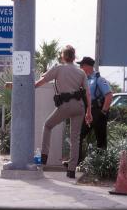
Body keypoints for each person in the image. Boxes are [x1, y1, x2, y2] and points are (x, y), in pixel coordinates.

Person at [35, 45, 92, 179]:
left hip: (65, 105)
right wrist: (89, 112)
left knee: (48, 125)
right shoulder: (81, 72)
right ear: (74, 57)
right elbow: (88, 93)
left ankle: (44, 157)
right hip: (79, 106)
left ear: (63, 56)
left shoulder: (58, 68)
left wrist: (28, 86)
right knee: (75, 138)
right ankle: (71, 171)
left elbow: (41, 82)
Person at [76, 56, 113, 156]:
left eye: (81, 65)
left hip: (98, 111)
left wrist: (103, 112)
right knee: (78, 136)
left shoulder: (99, 79)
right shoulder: (85, 80)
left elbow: (109, 96)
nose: (80, 68)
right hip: (88, 111)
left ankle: (101, 164)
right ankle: (76, 161)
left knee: (100, 138)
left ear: (87, 66)